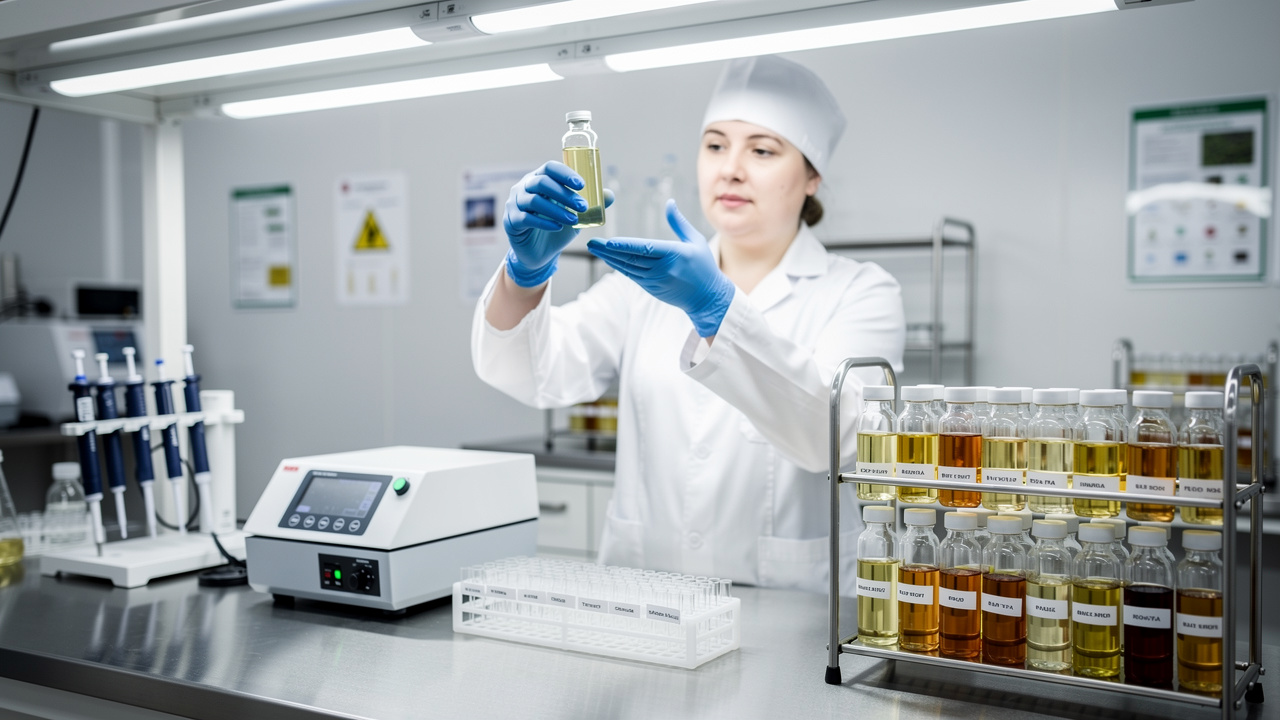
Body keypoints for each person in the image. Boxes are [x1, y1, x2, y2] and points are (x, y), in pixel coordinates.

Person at [472, 55, 905, 594]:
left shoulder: (861, 292)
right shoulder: (643, 288)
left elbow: (839, 437)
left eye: (763, 150)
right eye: (716, 145)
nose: (731, 168)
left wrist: (719, 312)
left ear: (812, 176)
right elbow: (539, 374)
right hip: (643, 604)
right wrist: (525, 275)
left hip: (787, 615)